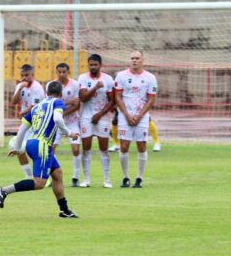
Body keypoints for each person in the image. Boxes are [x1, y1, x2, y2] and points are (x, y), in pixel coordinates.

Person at [0, 81, 80, 218]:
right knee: (40, 183)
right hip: (42, 145)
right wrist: (69, 133)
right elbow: (58, 119)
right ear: (61, 93)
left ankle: (64, 210)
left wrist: (17, 147)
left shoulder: (37, 107)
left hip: (32, 143)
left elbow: (23, 128)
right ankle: (3, 191)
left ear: (46, 93)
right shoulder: (58, 102)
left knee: (57, 174)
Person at [114, 51, 157, 188]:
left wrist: (139, 115)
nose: (134, 60)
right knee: (124, 146)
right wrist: (126, 114)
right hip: (124, 115)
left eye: (137, 58)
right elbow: (117, 97)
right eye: (132, 58)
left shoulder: (150, 77)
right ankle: (125, 177)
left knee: (141, 146)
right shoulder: (121, 76)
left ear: (143, 60)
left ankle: (139, 178)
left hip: (142, 116)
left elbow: (151, 99)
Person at [77, 54, 116, 188]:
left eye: (95, 65)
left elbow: (112, 101)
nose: (93, 67)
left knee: (104, 149)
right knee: (86, 148)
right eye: (91, 65)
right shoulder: (83, 78)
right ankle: (86, 179)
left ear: (100, 65)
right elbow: (83, 98)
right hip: (86, 117)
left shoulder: (108, 79)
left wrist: (99, 115)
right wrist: (95, 87)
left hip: (102, 117)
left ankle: (106, 179)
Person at [47, 63, 83, 187]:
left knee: (76, 149)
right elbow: (51, 103)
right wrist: (68, 102)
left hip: (72, 122)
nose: (62, 74)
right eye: (59, 72)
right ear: (56, 72)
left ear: (68, 72)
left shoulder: (75, 84)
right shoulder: (51, 85)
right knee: (51, 150)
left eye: (64, 72)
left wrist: (62, 113)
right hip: (56, 124)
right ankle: (52, 177)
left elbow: (77, 105)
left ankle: (75, 178)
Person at [10, 64, 46, 179]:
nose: (24, 78)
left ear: (32, 75)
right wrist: (20, 88)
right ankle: (29, 177)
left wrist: (22, 113)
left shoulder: (37, 87)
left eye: (26, 75)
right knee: (18, 147)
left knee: (35, 151)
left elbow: (34, 107)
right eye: (22, 75)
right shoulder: (20, 85)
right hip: (26, 124)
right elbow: (13, 102)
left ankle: (44, 176)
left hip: (37, 124)